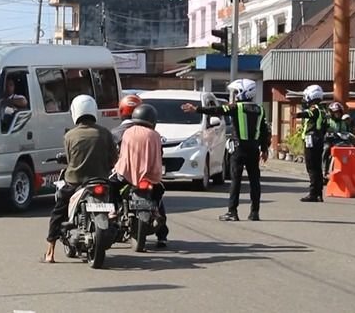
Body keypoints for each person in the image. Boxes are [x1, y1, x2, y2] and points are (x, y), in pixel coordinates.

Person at [42, 95, 118, 263]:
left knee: (58, 211)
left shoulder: (70, 135)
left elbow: (69, 159)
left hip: (75, 182)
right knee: (115, 203)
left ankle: (50, 251)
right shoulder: (105, 133)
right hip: (101, 181)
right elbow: (114, 158)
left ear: (75, 112)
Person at [181, 78, 269, 221]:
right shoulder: (260, 109)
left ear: (243, 93)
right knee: (255, 181)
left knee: (236, 181)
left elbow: (216, 110)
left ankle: (232, 212)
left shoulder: (236, 108)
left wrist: (196, 109)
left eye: (235, 92)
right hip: (254, 149)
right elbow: (265, 131)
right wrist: (264, 149)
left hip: (239, 149)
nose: (233, 96)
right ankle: (254, 212)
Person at [114, 103, 169, 247]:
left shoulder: (127, 132)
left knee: (112, 190)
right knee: (158, 201)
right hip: (150, 177)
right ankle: (162, 235)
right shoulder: (155, 135)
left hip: (126, 175)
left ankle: (113, 212)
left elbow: (121, 153)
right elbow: (160, 155)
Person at [295, 84, 327, 202]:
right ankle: (319, 193)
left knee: (312, 167)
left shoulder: (315, 109)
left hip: (311, 140)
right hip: (318, 140)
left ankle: (313, 193)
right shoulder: (323, 109)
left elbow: (309, 113)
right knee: (317, 168)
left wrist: (297, 115)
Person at [322, 102, 351, 182]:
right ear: (331, 113)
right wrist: (327, 133)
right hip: (328, 141)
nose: (337, 114)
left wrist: (349, 135)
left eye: (338, 112)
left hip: (338, 141)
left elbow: (345, 132)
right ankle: (324, 171)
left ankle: (347, 170)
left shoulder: (342, 122)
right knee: (326, 149)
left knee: (348, 148)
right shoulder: (328, 121)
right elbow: (322, 130)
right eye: (335, 112)